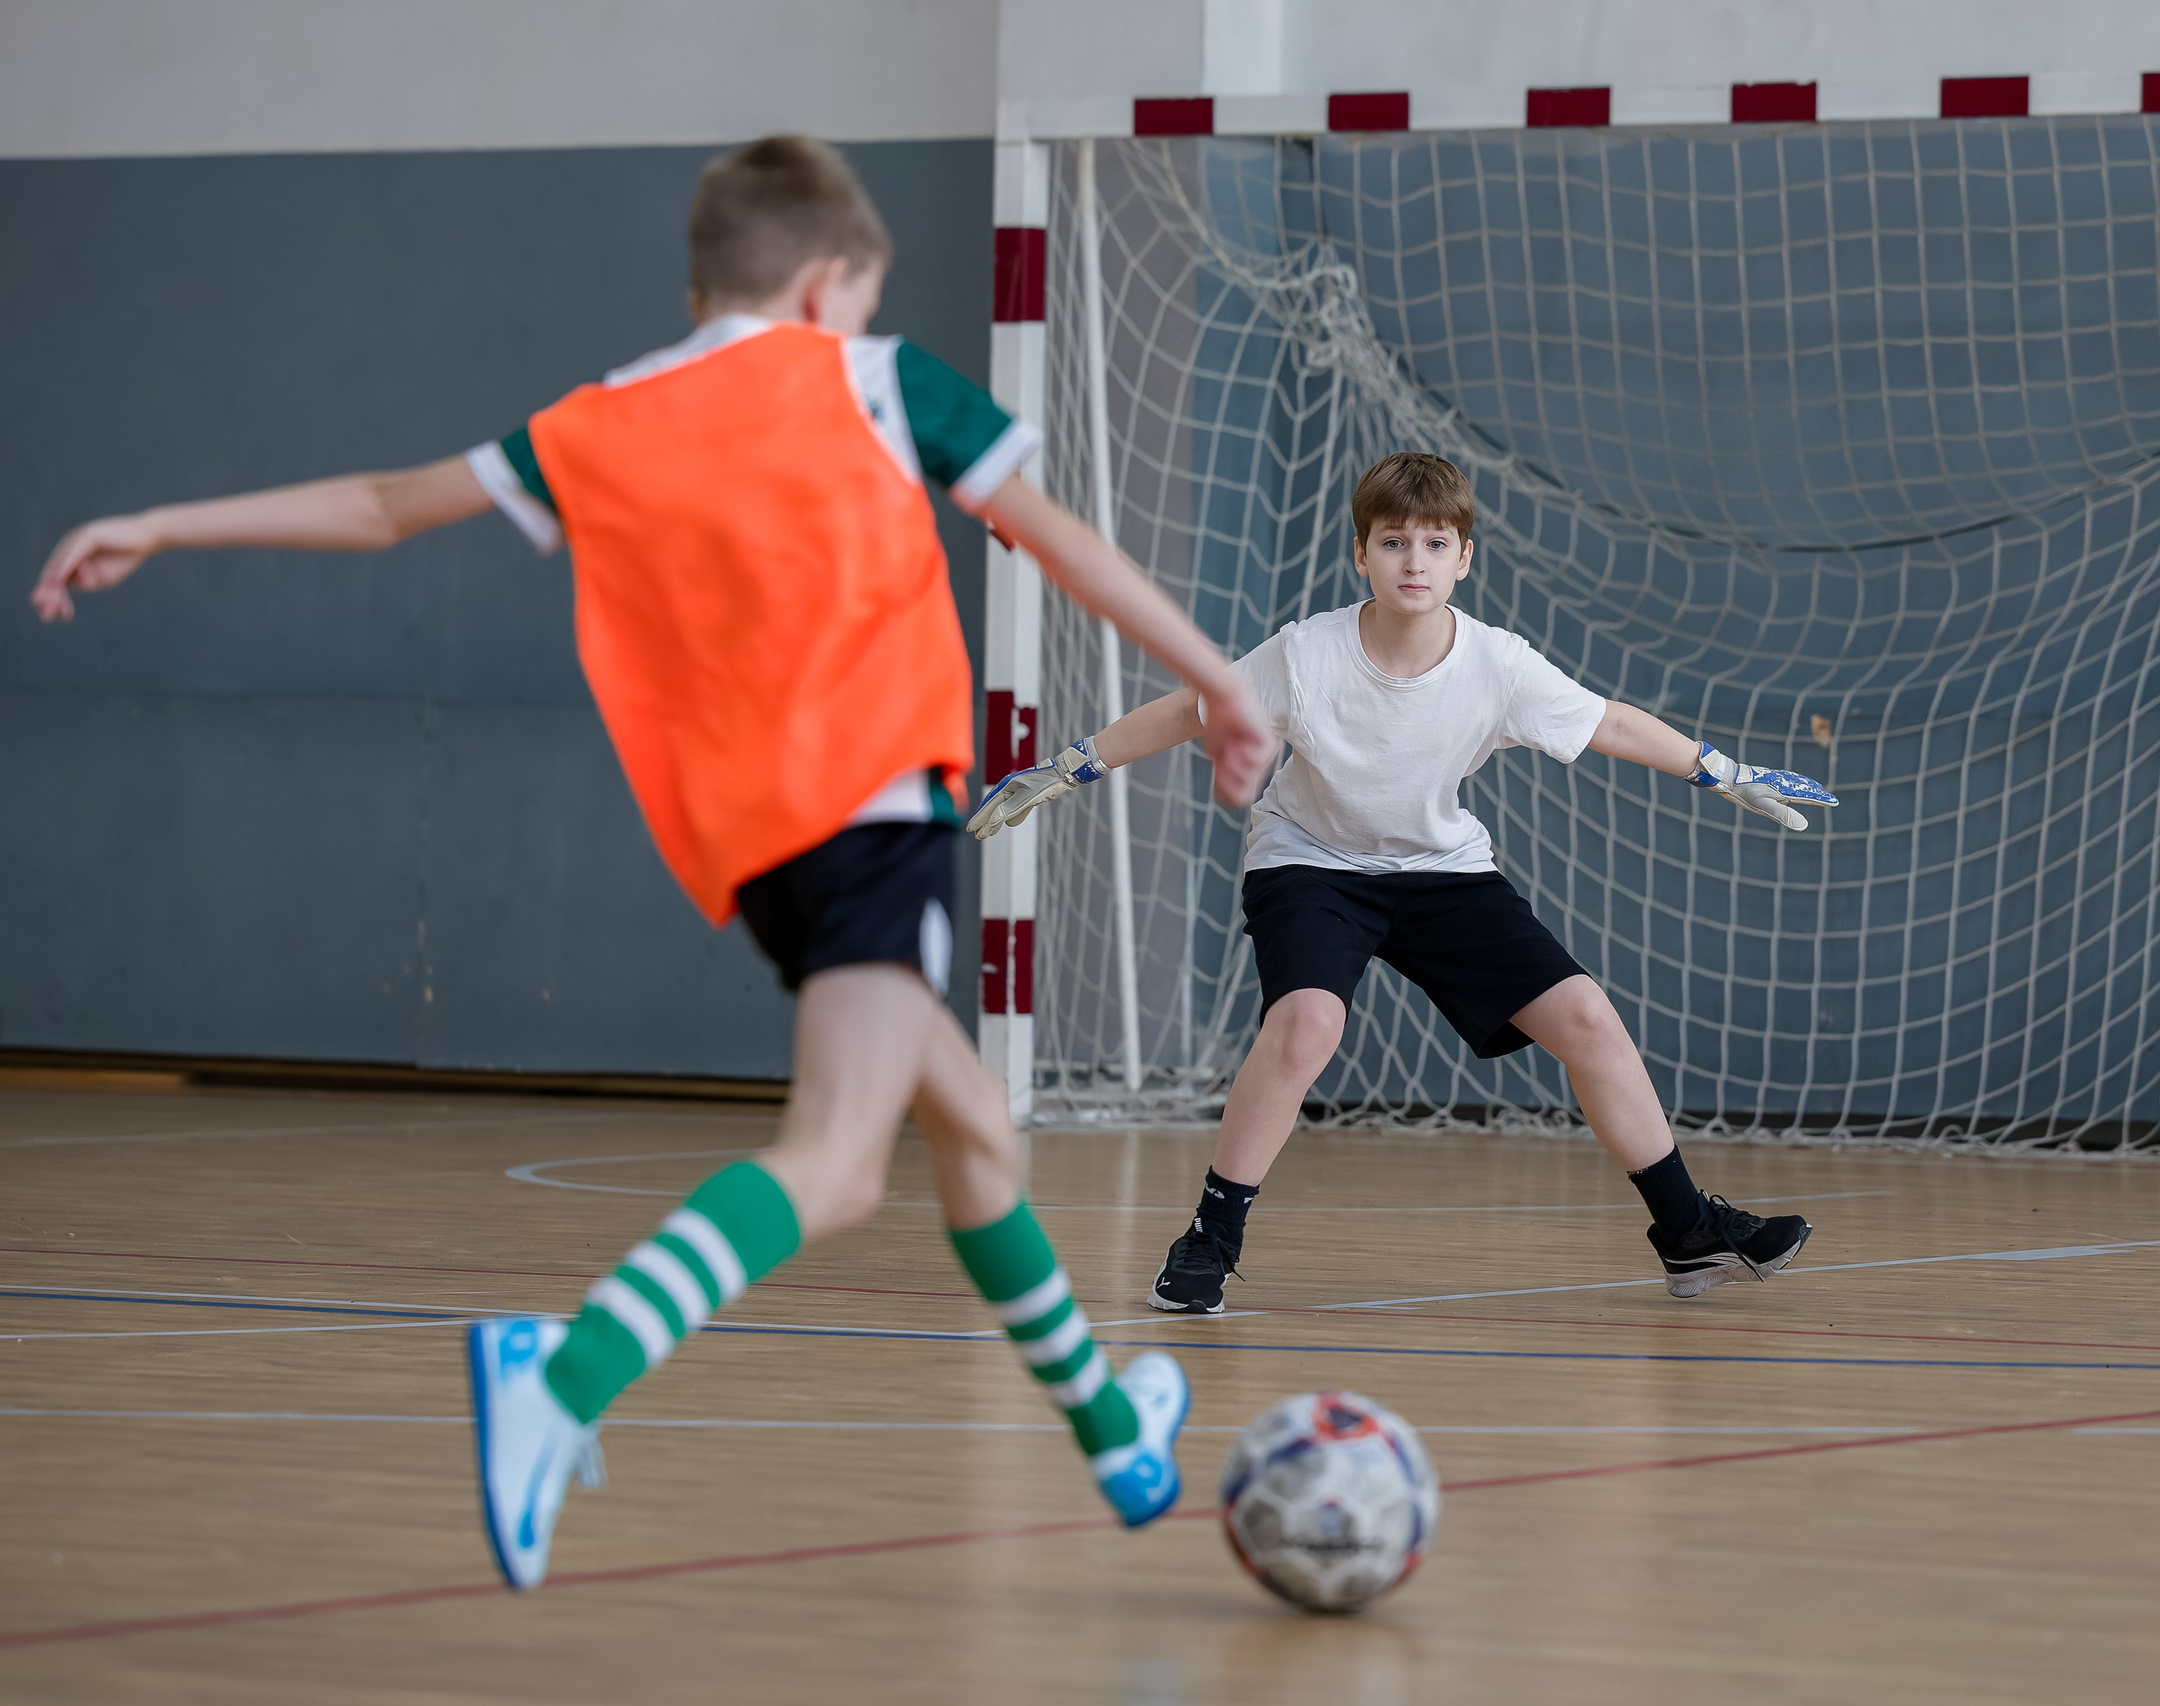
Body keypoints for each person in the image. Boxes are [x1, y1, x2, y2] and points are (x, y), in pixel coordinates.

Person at [29, 136, 1277, 1588]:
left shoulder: (596, 420)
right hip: (876, 817)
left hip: (763, 857)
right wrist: (1219, 680)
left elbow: (379, 508)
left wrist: (160, 524)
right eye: (857, 300)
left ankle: (1120, 1433)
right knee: (834, 1165)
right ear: (826, 285)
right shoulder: (878, 378)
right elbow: (1058, 542)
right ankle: (564, 1374)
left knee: (977, 1138)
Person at [971, 451, 1832, 1316]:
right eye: (1393, 542)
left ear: (1464, 558)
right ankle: (1209, 1240)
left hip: (1439, 870)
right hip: (1310, 862)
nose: (1413, 561)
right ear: (1361, 555)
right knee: (1308, 1022)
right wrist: (1071, 764)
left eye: (1434, 543)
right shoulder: (1306, 654)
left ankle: (1688, 1234)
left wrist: (1720, 769)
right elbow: (1192, 708)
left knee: (1585, 1015)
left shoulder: (1498, 664)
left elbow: (1605, 721)